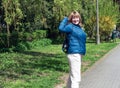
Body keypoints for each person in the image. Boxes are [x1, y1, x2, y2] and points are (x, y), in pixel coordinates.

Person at [58, 11, 86, 88]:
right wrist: (65, 19)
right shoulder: (70, 26)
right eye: (73, 18)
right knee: (76, 78)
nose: (75, 19)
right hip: (74, 54)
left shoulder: (78, 27)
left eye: (77, 17)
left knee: (72, 75)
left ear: (79, 18)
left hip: (78, 53)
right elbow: (61, 28)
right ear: (71, 19)